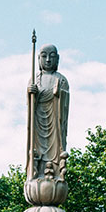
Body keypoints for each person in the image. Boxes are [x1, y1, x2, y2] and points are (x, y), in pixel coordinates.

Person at [27, 44, 69, 181]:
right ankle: (36, 172)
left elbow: (65, 102)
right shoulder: (34, 79)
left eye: (52, 56)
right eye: (44, 56)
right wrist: (31, 94)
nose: (48, 60)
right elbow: (30, 104)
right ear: (39, 59)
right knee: (36, 147)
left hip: (55, 119)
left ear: (57, 59)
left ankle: (55, 172)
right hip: (38, 121)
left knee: (56, 147)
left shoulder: (61, 79)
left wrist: (58, 94)